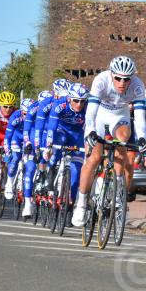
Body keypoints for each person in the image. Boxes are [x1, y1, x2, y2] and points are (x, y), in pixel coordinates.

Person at [71, 56, 146, 227]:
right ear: (111, 74)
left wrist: (143, 137)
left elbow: (140, 114)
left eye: (126, 79)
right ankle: (82, 203)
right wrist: (90, 131)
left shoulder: (137, 85)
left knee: (123, 140)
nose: (122, 82)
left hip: (120, 117)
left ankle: (117, 188)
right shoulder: (101, 80)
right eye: (118, 78)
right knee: (94, 158)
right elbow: (90, 112)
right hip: (99, 117)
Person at [43, 83, 88, 219]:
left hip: (77, 136)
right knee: (58, 143)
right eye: (76, 100)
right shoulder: (59, 105)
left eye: (82, 101)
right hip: (61, 131)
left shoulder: (88, 107)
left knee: (75, 172)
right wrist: (49, 145)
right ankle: (51, 171)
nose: (79, 104)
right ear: (69, 98)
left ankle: (69, 204)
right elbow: (51, 126)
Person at [2, 97, 34, 201]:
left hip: (28, 138)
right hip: (16, 137)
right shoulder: (15, 117)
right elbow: (7, 136)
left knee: (29, 161)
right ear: (21, 112)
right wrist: (7, 151)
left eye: (30, 115)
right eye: (25, 114)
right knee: (15, 158)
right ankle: (9, 183)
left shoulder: (36, 116)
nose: (28, 117)